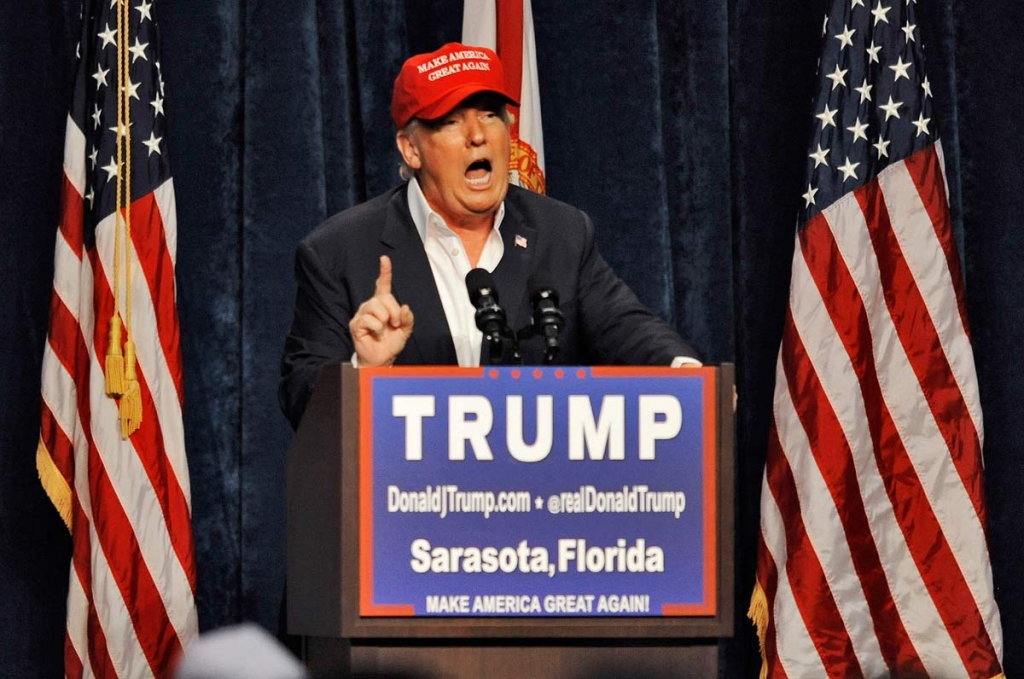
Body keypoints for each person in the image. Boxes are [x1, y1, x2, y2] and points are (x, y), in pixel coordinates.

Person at [279, 42, 699, 430]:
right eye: (451, 121)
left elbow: (624, 326)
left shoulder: (562, 232)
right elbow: (300, 396)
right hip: (409, 500)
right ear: (411, 150)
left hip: (537, 496)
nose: (477, 135)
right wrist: (365, 372)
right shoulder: (339, 250)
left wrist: (687, 377)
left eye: (489, 114)